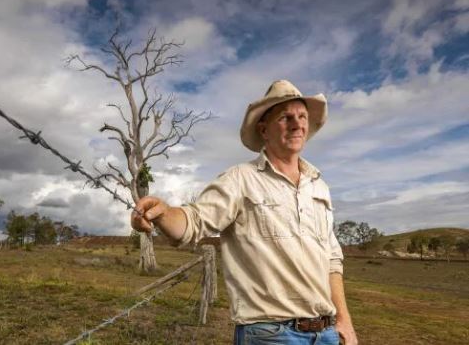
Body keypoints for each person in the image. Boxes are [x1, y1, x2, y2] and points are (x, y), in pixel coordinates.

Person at [131, 80, 358, 345]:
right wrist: (163, 213)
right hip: (271, 335)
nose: (297, 124)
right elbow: (195, 221)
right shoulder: (241, 179)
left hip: (326, 333)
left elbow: (332, 259)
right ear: (264, 130)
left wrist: (344, 320)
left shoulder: (319, 186)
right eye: (286, 117)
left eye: (302, 116)